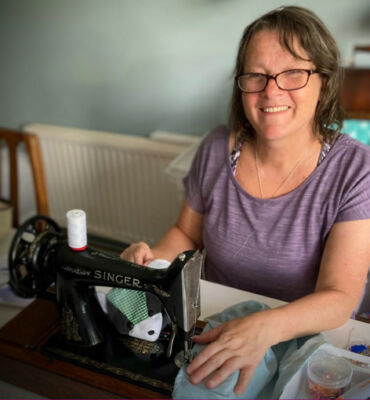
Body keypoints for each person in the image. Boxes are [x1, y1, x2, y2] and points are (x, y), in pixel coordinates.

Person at [121, 6, 370, 395]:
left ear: (323, 81)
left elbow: (339, 297)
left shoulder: (356, 168)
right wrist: (152, 261)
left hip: (306, 343)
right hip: (218, 322)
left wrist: (265, 328)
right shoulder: (217, 146)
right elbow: (187, 234)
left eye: (293, 73)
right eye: (256, 75)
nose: (271, 91)